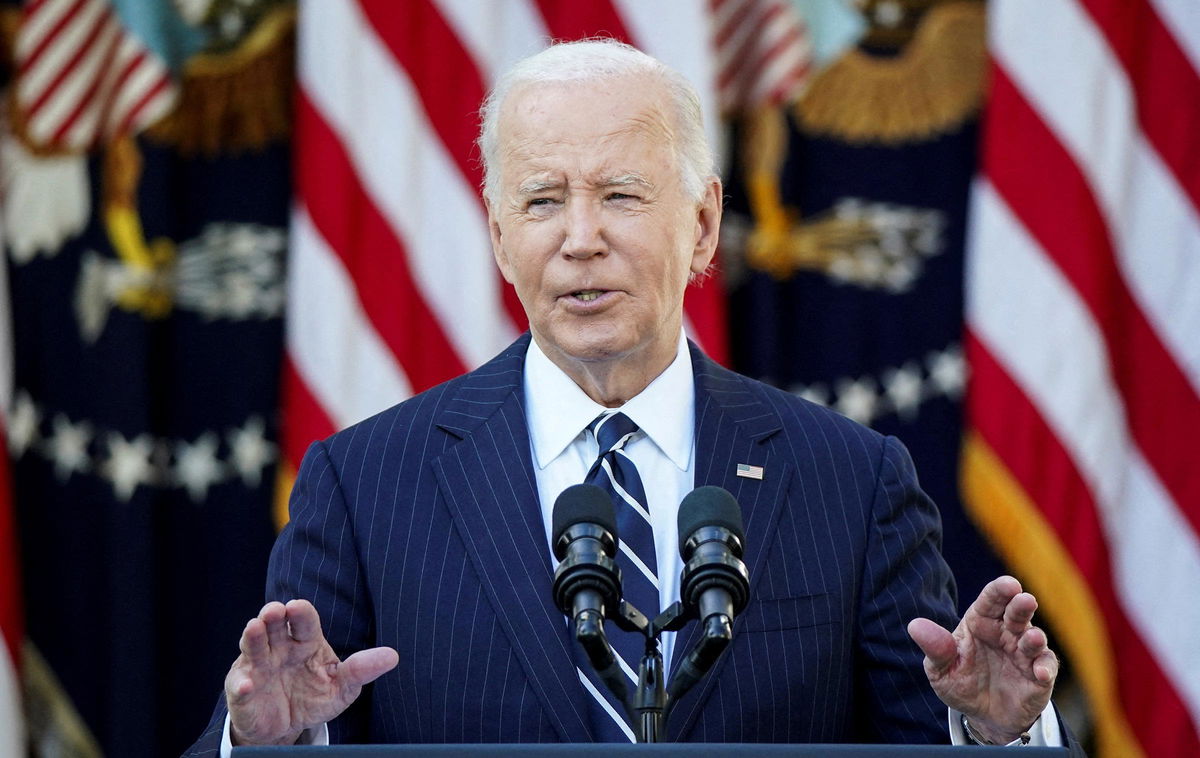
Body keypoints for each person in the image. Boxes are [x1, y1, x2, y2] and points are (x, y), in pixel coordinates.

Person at [184, 40, 1077, 756]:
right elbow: (287, 722)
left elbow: (921, 735)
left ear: (701, 224)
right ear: (499, 237)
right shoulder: (366, 483)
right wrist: (272, 742)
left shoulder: (854, 479)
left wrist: (996, 733)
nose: (580, 239)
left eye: (620, 194)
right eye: (541, 201)